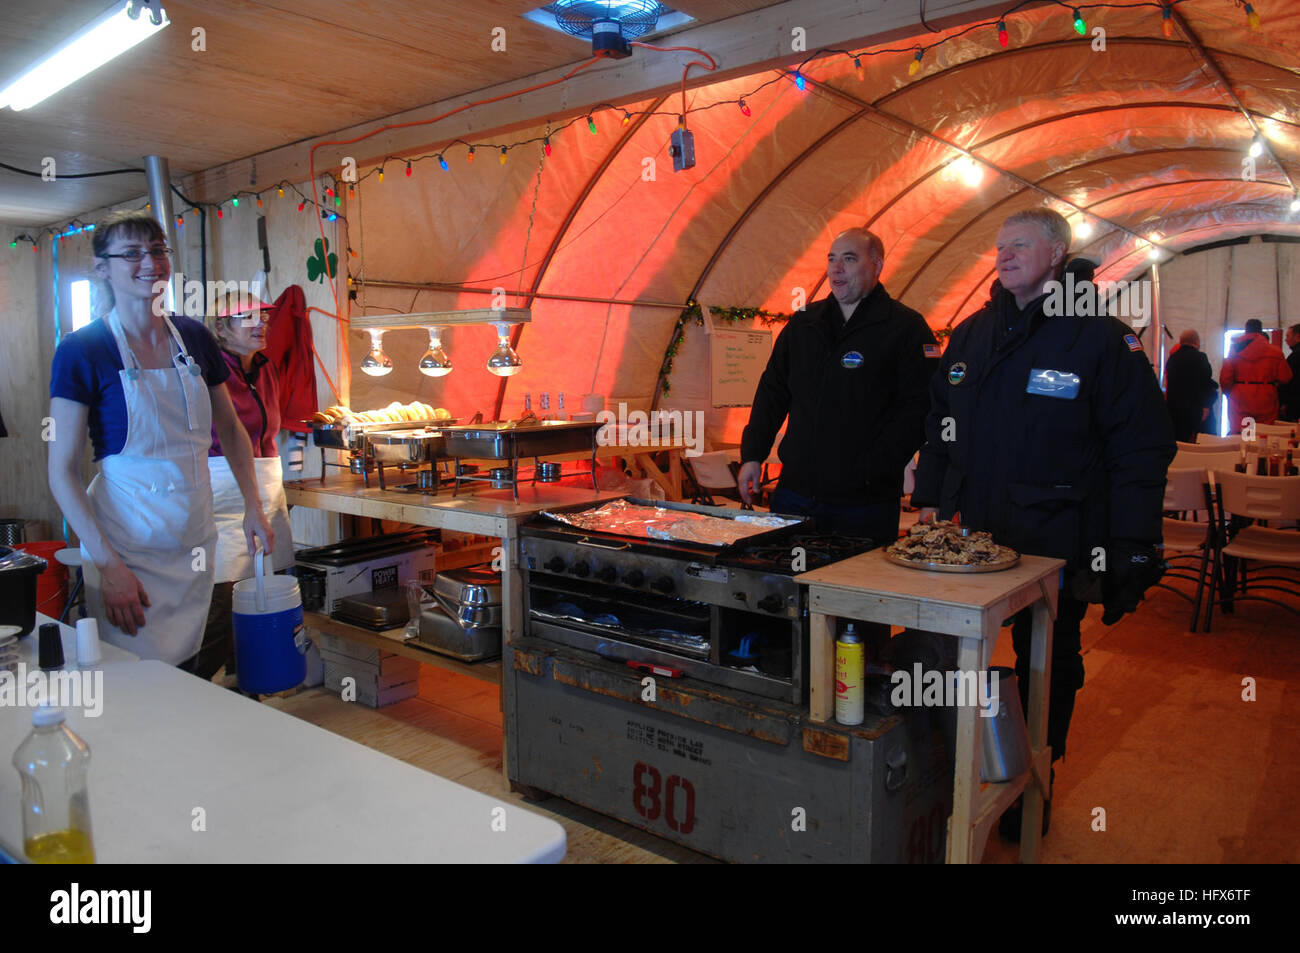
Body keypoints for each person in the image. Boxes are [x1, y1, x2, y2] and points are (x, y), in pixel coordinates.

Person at [910, 208, 1175, 839]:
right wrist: (929, 500)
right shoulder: (973, 335)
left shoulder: (1101, 340)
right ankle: (942, 775)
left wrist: (1132, 543)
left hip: (1057, 537)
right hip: (973, 538)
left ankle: (1036, 784)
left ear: (1058, 253)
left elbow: (1140, 448)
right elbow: (940, 423)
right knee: (951, 652)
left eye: (1020, 244)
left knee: (1046, 665)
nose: (1003, 255)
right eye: (998, 246)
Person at [47, 210, 273, 668]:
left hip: (192, 541)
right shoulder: (82, 350)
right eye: (131, 253)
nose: (149, 262)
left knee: (190, 673)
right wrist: (109, 566)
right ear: (102, 268)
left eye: (157, 250)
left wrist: (254, 505)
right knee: (139, 686)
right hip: (126, 551)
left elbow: (229, 428)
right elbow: (62, 472)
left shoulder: (192, 337)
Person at [736, 227, 939, 543]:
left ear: (877, 264)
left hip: (864, 503)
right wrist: (753, 455)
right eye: (832, 259)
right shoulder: (805, 323)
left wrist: (873, 467)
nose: (836, 269)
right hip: (796, 494)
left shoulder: (906, 329)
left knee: (855, 588)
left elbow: (920, 408)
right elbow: (773, 391)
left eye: (849, 259)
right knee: (790, 583)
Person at [189, 293, 296, 682]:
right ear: (221, 329)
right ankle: (192, 685)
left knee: (264, 589)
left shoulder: (267, 369)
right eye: (246, 318)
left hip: (268, 484)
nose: (260, 324)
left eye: (263, 316)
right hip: (223, 487)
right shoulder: (207, 373)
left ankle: (249, 679)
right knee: (223, 596)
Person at [1220, 318, 1292, 432]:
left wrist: (1232, 393)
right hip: (1266, 397)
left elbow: (1225, 379)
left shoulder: (1235, 350)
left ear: (1246, 330)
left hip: (1241, 397)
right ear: (1261, 330)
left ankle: (1246, 448)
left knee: (1245, 435)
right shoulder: (1275, 351)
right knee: (1265, 433)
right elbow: (1285, 377)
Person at [1163, 329, 1219, 442]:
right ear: (1197, 342)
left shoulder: (1172, 358)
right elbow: (1205, 382)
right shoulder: (1200, 357)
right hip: (1195, 410)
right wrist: (1206, 406)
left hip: (1175, 411)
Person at [1277, 323, 1300, 422]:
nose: (1285, 340)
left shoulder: (1295, 357)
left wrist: (1283, 403)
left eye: (1288, 336)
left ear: (1298, 337)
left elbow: (1287, 381)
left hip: (1295, 404)